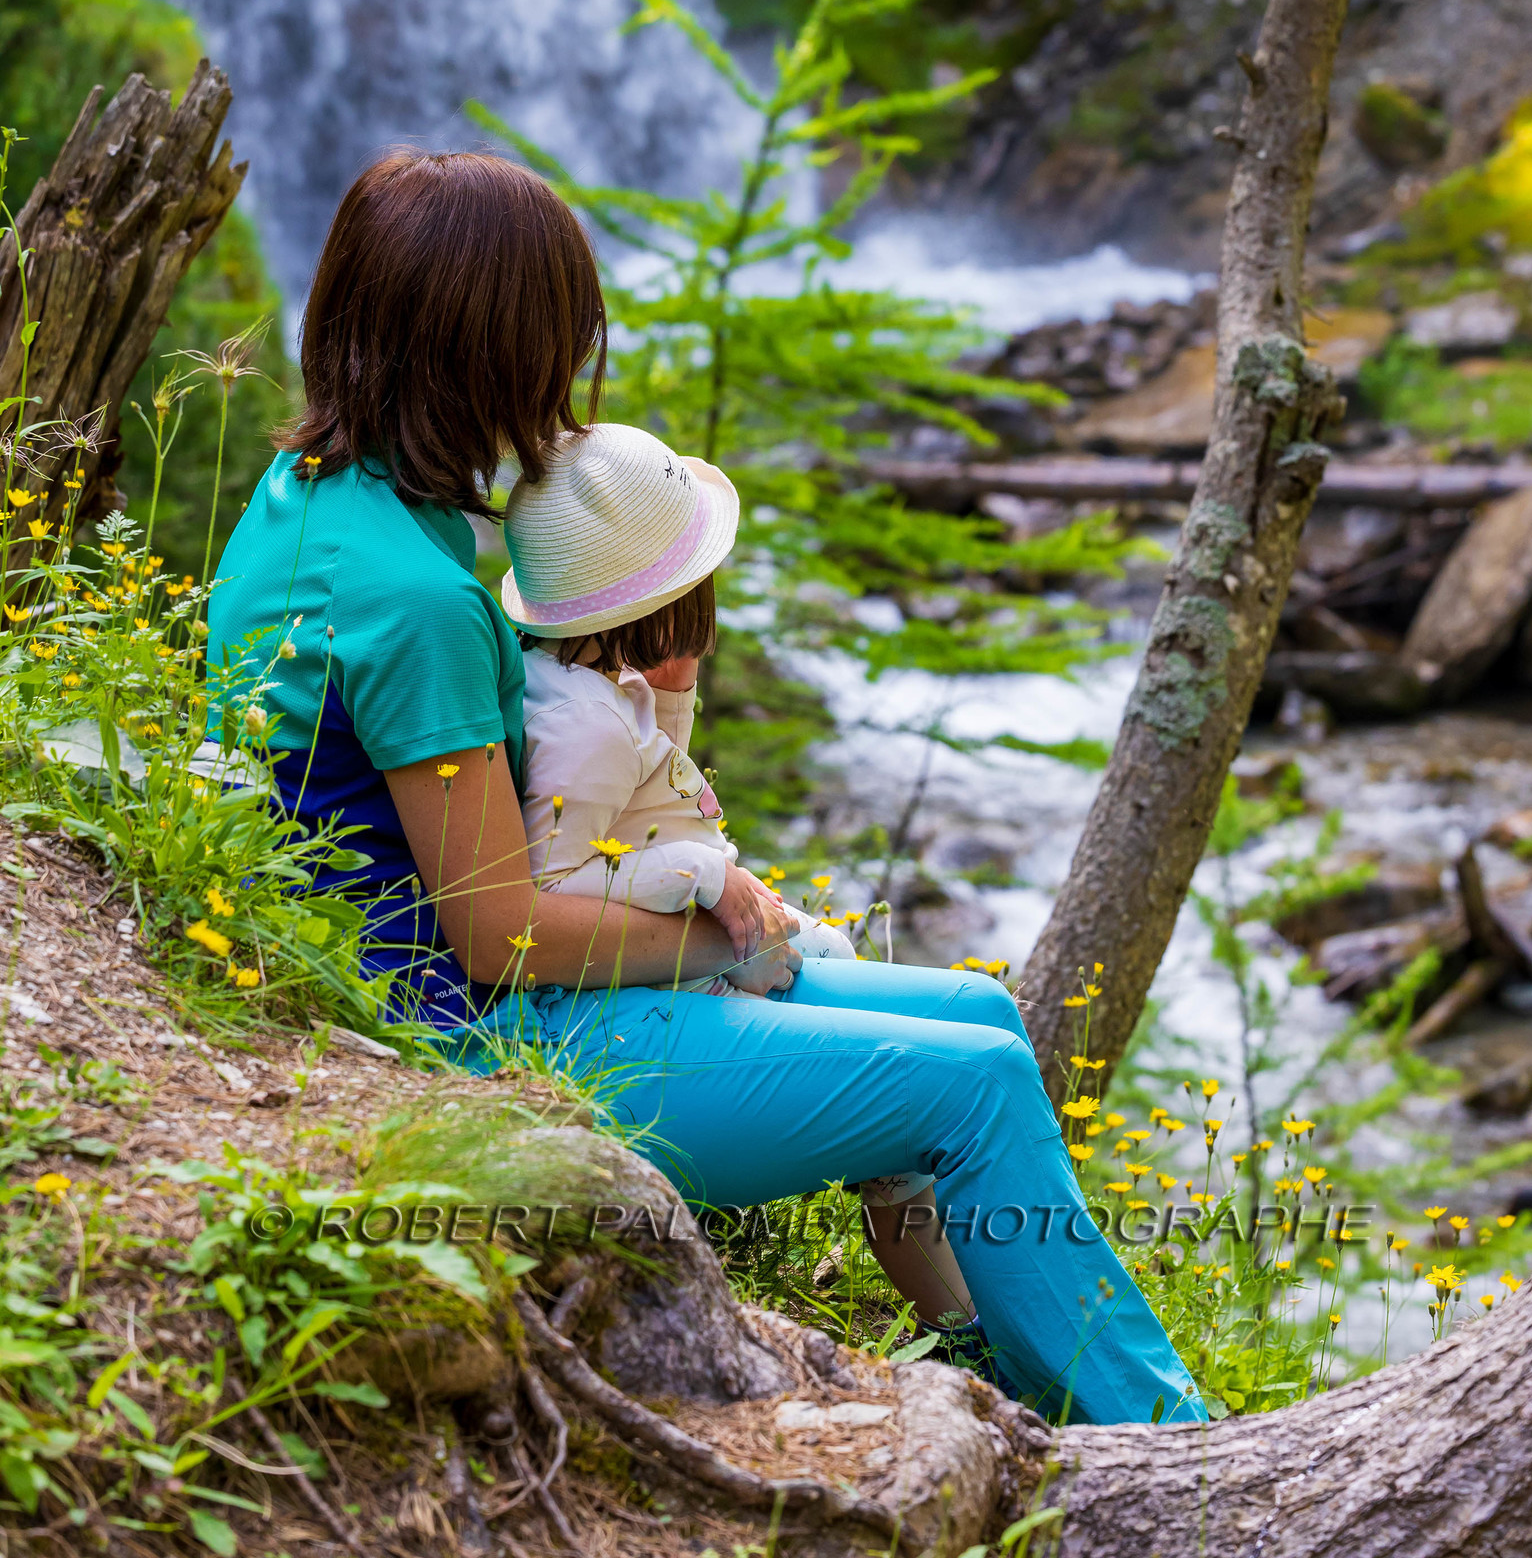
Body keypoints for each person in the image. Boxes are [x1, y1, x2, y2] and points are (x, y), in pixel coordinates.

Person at [207, 147, 1206, 1427]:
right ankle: (1166, 1447)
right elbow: (499, 933)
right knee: (973, 1088)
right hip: (476, 1042)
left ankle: (1009, 1372)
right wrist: (714, 925)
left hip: (421, 986)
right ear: (487, 358)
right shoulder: (417, 603)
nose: (565, 385)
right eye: (555, 349)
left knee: (986, 1022)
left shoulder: (303, 501)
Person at [504, 420, 854, 994]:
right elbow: (551, 889)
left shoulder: (580, 681)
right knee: (832, 960)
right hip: (665, 963)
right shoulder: (588, 726)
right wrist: (707, 872)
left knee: (834, 953)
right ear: (665, 601)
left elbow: (646, 792)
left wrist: (672, 689)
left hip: (681, 914)